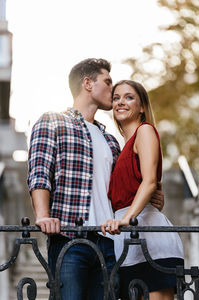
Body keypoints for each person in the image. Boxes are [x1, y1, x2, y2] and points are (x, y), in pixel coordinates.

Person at [27, 59, 164, 300]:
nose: (113, 91)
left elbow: (122, 185)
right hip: (69, 239)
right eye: (108, 82)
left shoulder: (110, 140)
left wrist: (153, 195)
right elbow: (39, 173)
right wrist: (42, 215)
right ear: (88, 83)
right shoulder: (53, 121)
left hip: (109, 242)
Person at [101, 80, 184, 300]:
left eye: (129, 97)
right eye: (116, 97)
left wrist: (126, 219)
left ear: (142, 107)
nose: (120, 102)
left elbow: (148, 182)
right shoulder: (121, 147)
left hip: (148, 236)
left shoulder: (145, 131)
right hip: (128, 240)